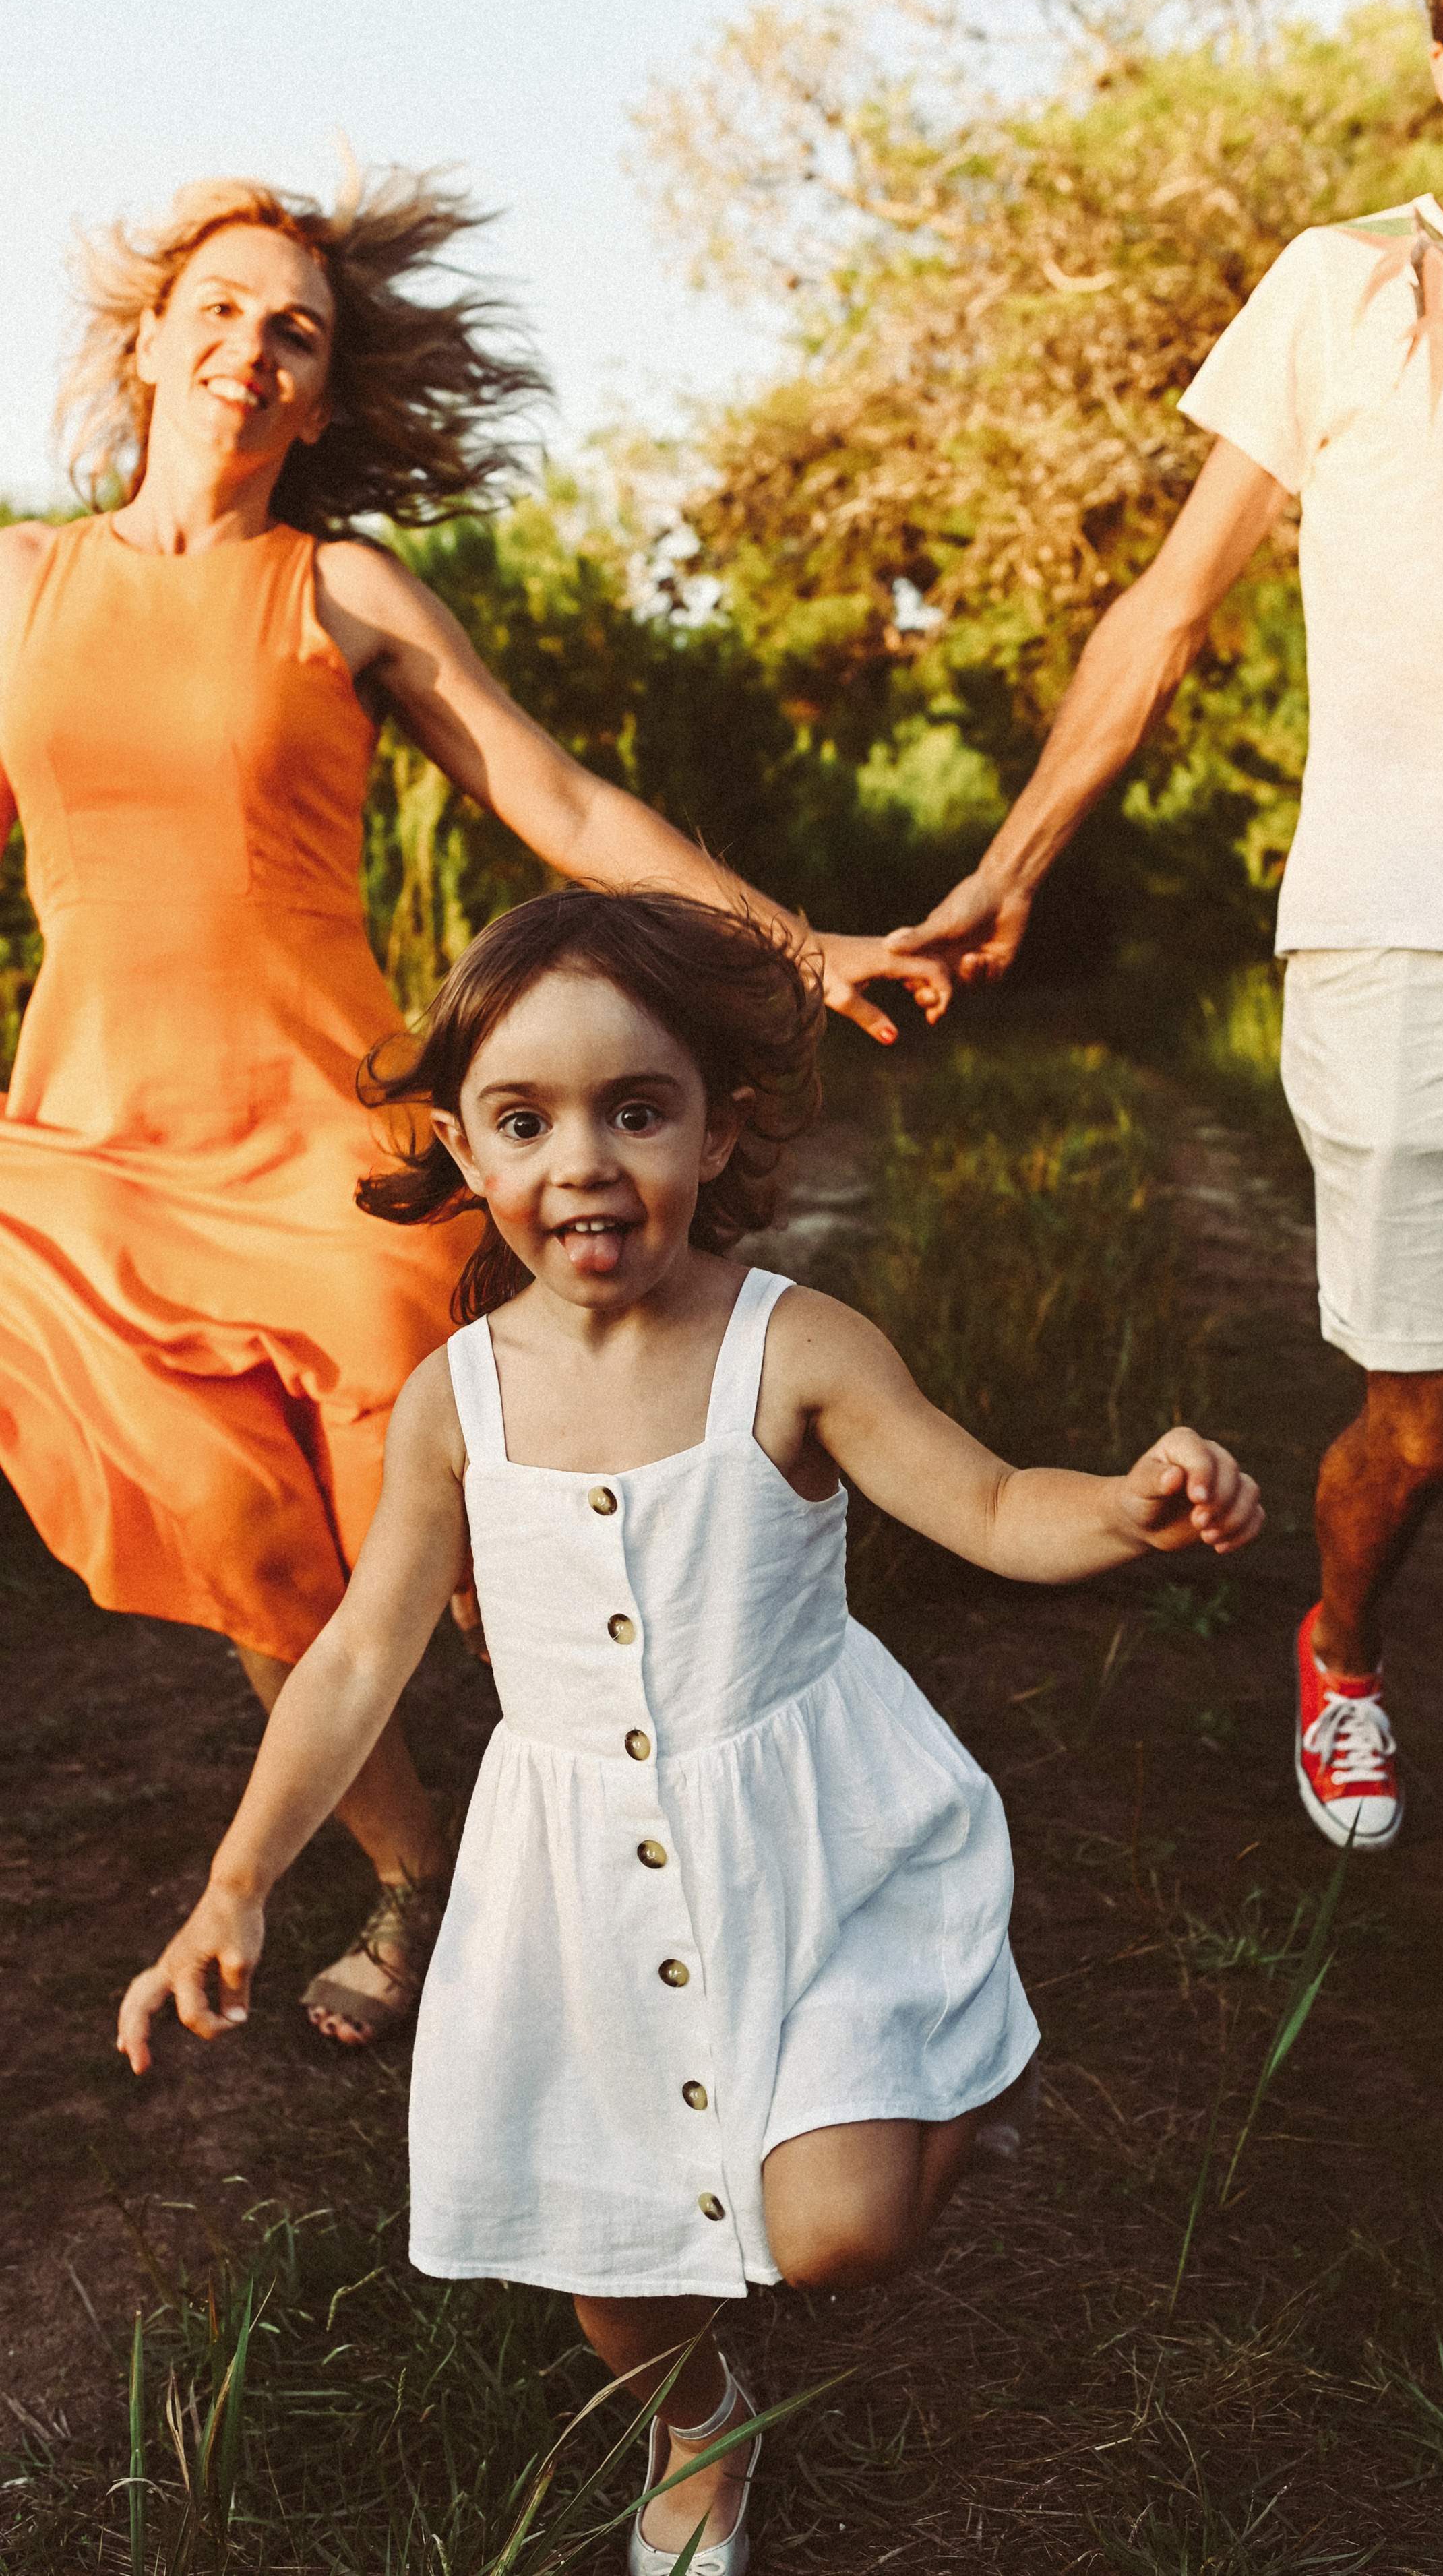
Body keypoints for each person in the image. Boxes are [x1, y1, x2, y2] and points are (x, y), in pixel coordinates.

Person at [116, 884, 1264, 2572]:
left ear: (718, 1130)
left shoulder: (791, 1347)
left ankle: (940, 2074)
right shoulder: (458, 1399)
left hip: (806, 1844)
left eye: (633, 1111)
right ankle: (694, 2415)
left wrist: (1129, 1506)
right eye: (525, 1120)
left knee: (838, 2234)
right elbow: (361, 1653)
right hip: (572, 1874)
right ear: (467, 1145)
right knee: (616, 2237)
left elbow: (999, 1502)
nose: (581, 1162)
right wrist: (235, 1884)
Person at [0, 170, 944, 2046]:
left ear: (326, 398)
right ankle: (422, 1884)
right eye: (222, 309)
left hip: (330, 1145)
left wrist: (798, 948)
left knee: (467, 1553)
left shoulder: (336, 587)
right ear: (147, 339)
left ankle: (654, 1864)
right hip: (89, 1158)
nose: (252, 347)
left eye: (297, 332)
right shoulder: (23, 584)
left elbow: (565, 807)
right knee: (232, 1534)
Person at [889, 0, 1443, 2069]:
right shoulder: (1338, 289)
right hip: (1392, 937)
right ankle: (1338, 1644)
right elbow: (1168, 608)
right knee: (1426, 1423)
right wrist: (1006, 869)